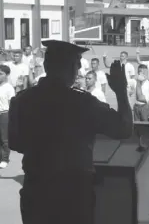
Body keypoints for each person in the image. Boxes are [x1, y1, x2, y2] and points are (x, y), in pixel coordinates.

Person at [8, 40, 133, 224]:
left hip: (36, 192)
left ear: (45, 65)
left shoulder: (22, 101)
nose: (79, 68)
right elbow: (124, 129)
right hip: (74, 195)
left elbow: (15, 143)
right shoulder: (83, 103)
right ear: (71, 68)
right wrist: (121, 91)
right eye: (77, 63)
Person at [0, 65, 15, 169]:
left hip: (4, 114)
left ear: (7, 75)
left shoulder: (8, 87)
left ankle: (5, 158)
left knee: (4, 138)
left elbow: (12, 104)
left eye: (1, 74)